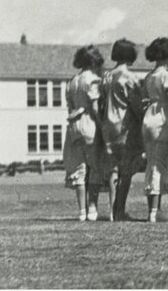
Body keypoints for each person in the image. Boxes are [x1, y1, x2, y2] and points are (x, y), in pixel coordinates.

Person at [99, 38, 145, 221]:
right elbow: (135, 105)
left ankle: (113, 210)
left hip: (107, 126)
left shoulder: (107, 77)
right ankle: (119, 209)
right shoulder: (129, 77)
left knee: (113, 170)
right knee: (126, 171)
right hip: (125, 126)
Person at [141, 36, 168, 223]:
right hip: (163, 119)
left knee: (152, 162)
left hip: (149, 117)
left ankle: (153, 208)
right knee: (159, 164)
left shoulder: (149, 77)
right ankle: (154, 211)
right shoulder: (167, 76)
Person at [62, 45, 106, 221]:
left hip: (73, 125)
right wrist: (102, 125)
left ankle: (82, 211)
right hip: (89, 123)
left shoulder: (73, 80)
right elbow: (95, 107)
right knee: (94, 167)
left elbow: (70, 106)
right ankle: (93, 208)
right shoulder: (93, 79)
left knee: (79, 169)